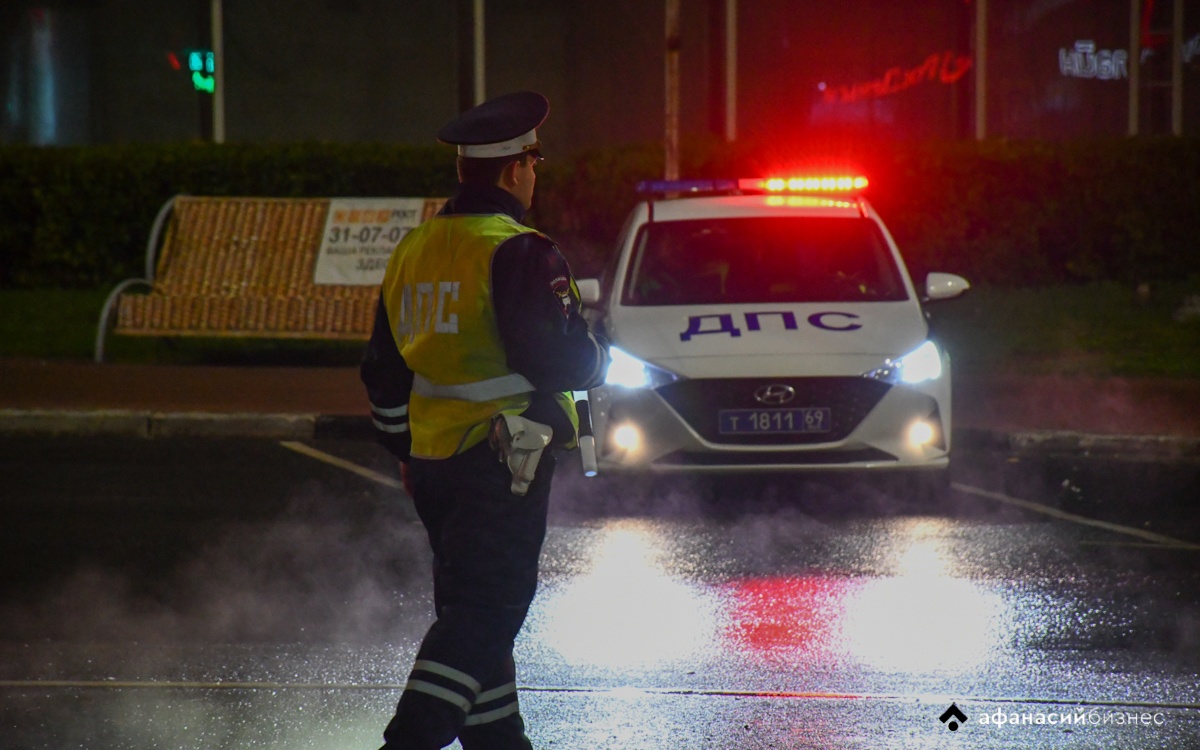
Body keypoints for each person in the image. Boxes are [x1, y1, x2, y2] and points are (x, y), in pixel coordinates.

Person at [360, 90, 610, 750]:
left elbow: (383, 372)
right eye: (535, 160)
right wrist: (596, 357)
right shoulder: (521, 250)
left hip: (435, 466)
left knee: (475, 616)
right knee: (485, 616)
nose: (536, 172)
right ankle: (407, 742)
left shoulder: (415, 249)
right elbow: (553, 359)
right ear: (513, 171)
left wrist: (407, 452)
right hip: (505, 462)